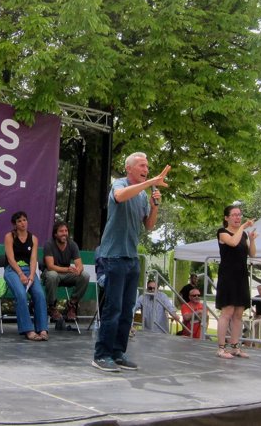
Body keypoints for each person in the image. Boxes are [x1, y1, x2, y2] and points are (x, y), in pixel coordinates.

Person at [92, 152, 170, 372]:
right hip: (113, 256)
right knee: (113, 308)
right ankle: (101, 355)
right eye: (142, 165)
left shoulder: (143, 195)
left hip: (131, 258)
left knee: (127, 310)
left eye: (147, 165)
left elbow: (149, 225)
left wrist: (155, 206)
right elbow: (119, 196)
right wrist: (151, 182)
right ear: (129, 168)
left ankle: (117, 353)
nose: (146, 168)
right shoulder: (120, 184)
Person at [215, 205, 257, 359]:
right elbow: (232, 242)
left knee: (239, 313)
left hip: (241, 276)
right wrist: (244, 227)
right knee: (227, 311)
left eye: (239, 215)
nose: (238, 218)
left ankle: (235, 346)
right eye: (234, 215)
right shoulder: (222, 232)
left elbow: (252, 254)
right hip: (228, 275)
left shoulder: (243, 234)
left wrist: (251, 240)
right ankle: (221, 348)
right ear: (227, 218)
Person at [3, 211, 49, 341]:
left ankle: (43, 329)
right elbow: (10, 259)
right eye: (19, 221)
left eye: (24, 220)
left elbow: (33, 259)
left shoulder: (33, 238)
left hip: (30, 270)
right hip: (13, 270)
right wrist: (20, 274)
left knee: (40, 294)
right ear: (15, 224)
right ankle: (28, 330)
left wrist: (32, 275)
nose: (23, 223)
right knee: (21, 295)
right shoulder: (9, 237)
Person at [42, 221, 90, 322]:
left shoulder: (72, 244)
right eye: (61, 231)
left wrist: (78, 269)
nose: (64, 233)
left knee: (85, 275)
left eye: (66, 231)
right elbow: (50, 266)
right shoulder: (49, 244)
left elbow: (79, 263)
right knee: (52, 275)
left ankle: (72, 304)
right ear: (55, 234)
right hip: (52, 273)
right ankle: (52, 307)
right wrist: (67, 269)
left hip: (66, 275)